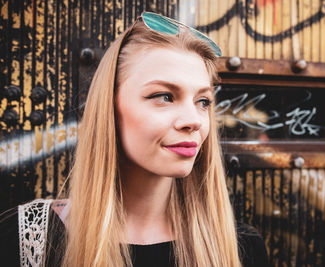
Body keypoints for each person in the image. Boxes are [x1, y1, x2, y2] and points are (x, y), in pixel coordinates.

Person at [0, 12, 268, 267]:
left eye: (203, 101)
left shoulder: (239, 247)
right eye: (164, 96)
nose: (194, 120)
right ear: (110, 108)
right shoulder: (26, 240)